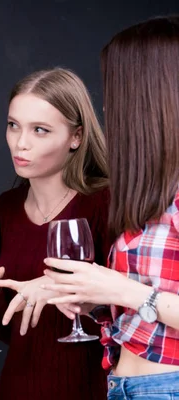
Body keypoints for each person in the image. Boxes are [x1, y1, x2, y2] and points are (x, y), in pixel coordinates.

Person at [0, 68, 110, 399]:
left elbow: (127, 312)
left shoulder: (104, 203)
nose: (20, 143)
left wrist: (57, 287)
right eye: (14, 126)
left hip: (93, 389)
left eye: (40, 130)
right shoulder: (6, 208)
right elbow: (11, 333)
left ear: (76, 137)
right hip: (20, 388)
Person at [44, 15, 179, 399]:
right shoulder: (153, 193)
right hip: (126, 386)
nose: (109, 106)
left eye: (115, 89)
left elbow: (141, 296)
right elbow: (147, 307)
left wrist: (125, 290)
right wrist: (99, 300)